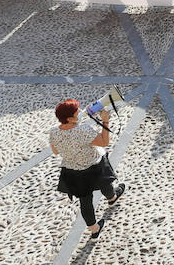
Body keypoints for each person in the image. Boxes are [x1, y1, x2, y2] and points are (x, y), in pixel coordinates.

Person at [49, 98, 125, 237]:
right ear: (70, 118)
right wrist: (105, 121)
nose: (80, 111)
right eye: (76, 111)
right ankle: (112, 198)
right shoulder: (83, 130)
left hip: (72, 171)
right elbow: (104, 142)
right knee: (105, 183)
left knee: (85, 201)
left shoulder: (53, 131)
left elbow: (55, 151)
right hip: (93, 166)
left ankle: (94, 229)